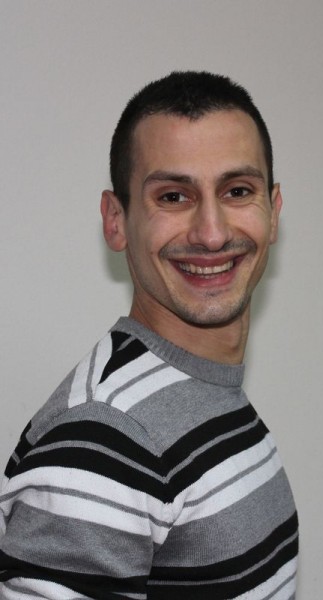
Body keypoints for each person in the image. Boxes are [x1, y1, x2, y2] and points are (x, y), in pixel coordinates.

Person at [0, 71, 298, 599]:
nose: (212, 233)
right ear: (116, 221)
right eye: (174, 196)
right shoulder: (102, 439)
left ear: (272, 212)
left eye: (237, 191)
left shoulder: (208, 394)